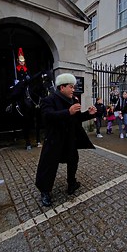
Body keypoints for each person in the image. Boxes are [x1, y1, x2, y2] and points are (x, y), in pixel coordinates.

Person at [35, 73, 97, 207]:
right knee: (49, 165)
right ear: (62, 87)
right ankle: (45, 191)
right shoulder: (49, 100)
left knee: (73, 160)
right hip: (54, 140)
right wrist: (67, 112)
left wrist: (89, 114)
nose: (73, 89)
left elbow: (76, 118)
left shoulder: (73, 100)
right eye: (71, 87)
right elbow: (47, 116)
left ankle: (72, 184)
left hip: (70, 139)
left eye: (73, 87)